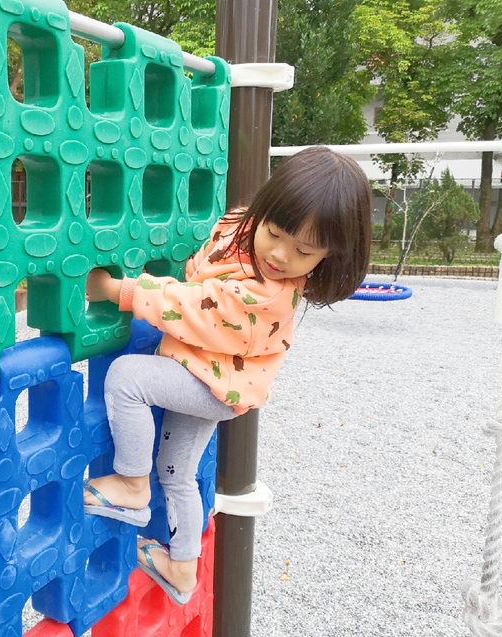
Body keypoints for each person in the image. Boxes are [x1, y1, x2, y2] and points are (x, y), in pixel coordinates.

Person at [83, 146, 372, 604]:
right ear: (264, 212)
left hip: (211, 384)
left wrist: (119, 289)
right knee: (176, 472)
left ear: (329, 256)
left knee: (127, 377)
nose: (280, 254)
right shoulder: (242, 223)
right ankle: (182, 568)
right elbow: (207, 264)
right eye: (274, 233)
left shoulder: (268, 296)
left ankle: (131, 484)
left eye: (304, 251)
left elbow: (194, 305)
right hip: (216, 374)